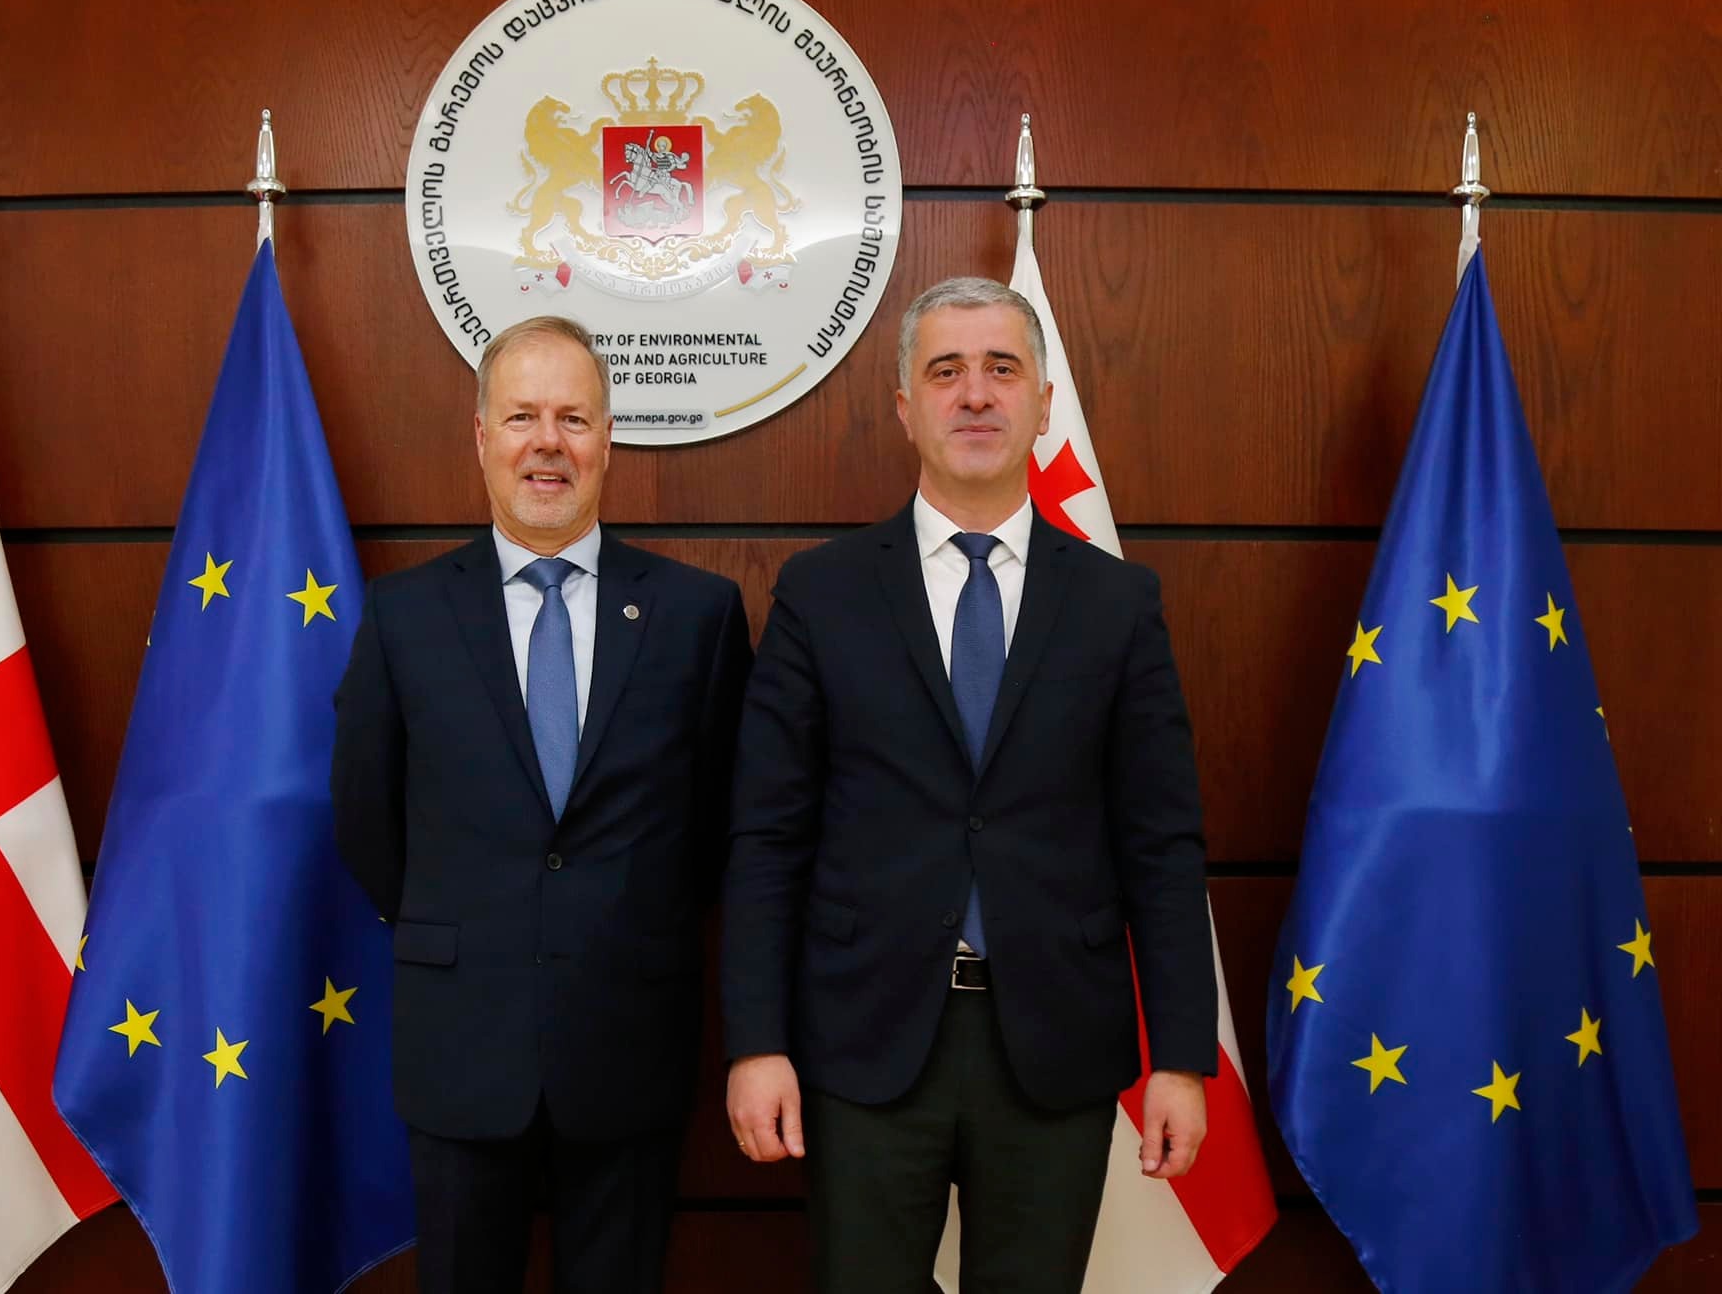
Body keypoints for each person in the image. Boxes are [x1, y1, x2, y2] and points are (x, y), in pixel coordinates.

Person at [719, 277, 1217, 1293]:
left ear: (1042, 403)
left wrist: (1179, 1056)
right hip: (863, 1042)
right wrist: (756, 1044)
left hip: (1053, 1044)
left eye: (1001, 370)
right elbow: (767, 837)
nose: (976, 394)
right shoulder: (822, 592)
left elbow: (1160, 843)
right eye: (945, 372)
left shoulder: (1118, 603)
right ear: (906, 408)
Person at [333, 315, 752, 1294]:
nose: (547, 443)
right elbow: (366, 818)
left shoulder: (697, 615)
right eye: (522, 417)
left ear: (607, 439)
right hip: (459, 1044)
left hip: (628, 1038)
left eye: (573, 418)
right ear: (483, 437)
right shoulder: (403, 616)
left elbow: (720, 825)